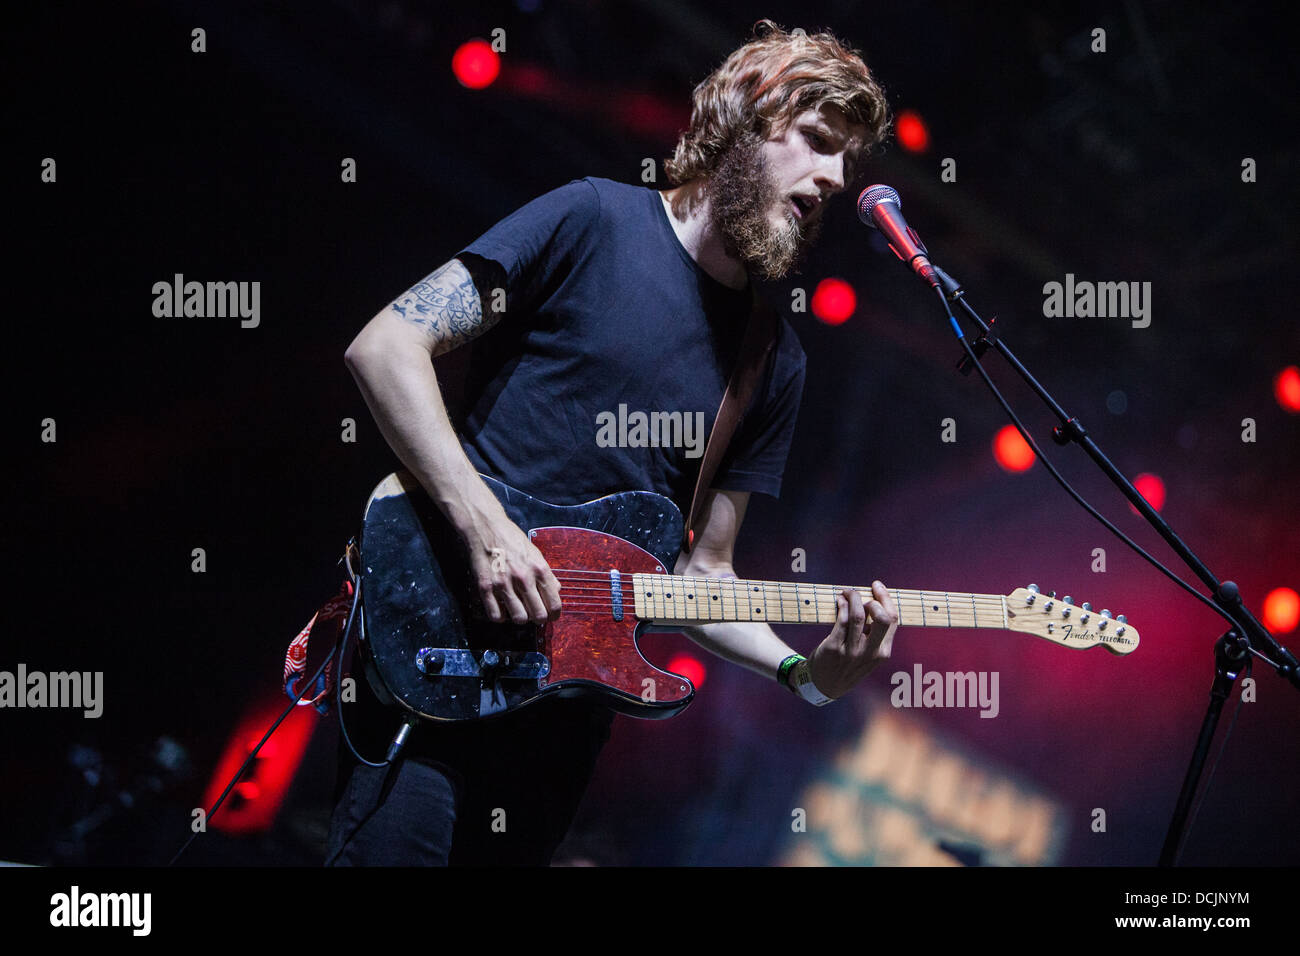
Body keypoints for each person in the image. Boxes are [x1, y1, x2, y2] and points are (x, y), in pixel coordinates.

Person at [326, 20, 899, 866]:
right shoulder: (593, 217)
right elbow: (386, 346)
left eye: (848, 162)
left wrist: (806, 677)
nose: (834, 179)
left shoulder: (773, 360)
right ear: (746, 117)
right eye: (818, 142)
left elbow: (703, 579)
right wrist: (485, 527)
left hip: (559, 728)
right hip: (436, 646)